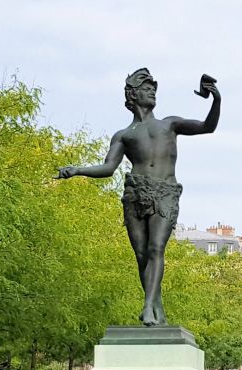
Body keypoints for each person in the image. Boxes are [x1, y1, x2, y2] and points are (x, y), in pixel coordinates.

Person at [57, 69, 221, 326]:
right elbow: (108, 168)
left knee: (156, 247)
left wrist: (216, 100)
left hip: (164, 192)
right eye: (146, 88)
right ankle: (157, 310)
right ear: (132, 95)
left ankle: (147, 307)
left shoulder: (169, 124)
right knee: (142, 255)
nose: (152, 92)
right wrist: (77, 170)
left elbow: (207, 127)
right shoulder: (123, 135)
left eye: (153, 89)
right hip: (134, 194)